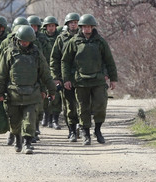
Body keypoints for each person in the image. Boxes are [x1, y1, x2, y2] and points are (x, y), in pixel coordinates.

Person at [0, 25, 55, 154]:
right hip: (13, 94)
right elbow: (2, 74)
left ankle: (27, 142)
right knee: (15, 121)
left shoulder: (36, 54)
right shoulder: (9, 52)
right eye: (22, 41)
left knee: (29, 120)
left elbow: (45, 73)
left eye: (27, 41)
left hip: (32, 93)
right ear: (18, 39)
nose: (24, 43)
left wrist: (52, 90)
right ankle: (18, 140)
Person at [61, 14, 117, 145]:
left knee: (100, 105)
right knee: (83, 108)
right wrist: (66, 79)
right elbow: (65, 62)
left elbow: (109, 61)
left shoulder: (100, 42)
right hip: (81, 81)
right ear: (81, 27)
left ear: (92, 27)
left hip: (98, 80)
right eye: (84, 26)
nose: (87, 29)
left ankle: (98, 130)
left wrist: (113, 79)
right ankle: (85, 133)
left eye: (89, 27)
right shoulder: (74, 42)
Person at [51, 12, 81, 141]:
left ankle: (83, 128)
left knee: (84, 105)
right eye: (71, 22)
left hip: (82, 77)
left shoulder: (84, 36)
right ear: (67, 24)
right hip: (66, 77)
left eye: (75, 22)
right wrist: (56, 77)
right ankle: (72, 130)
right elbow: (54, 59)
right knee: (69, 106)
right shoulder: (61, 38)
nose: (73, 24)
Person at [40, 16, 62, 129]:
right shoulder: (41, 38)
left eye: (53, 26)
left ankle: (55, 119)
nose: (51, 28)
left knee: (56, 95)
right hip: (44, 69)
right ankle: (46, 116)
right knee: (44, 94)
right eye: (49, 26)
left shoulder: (60, 37)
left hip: (56, 69)